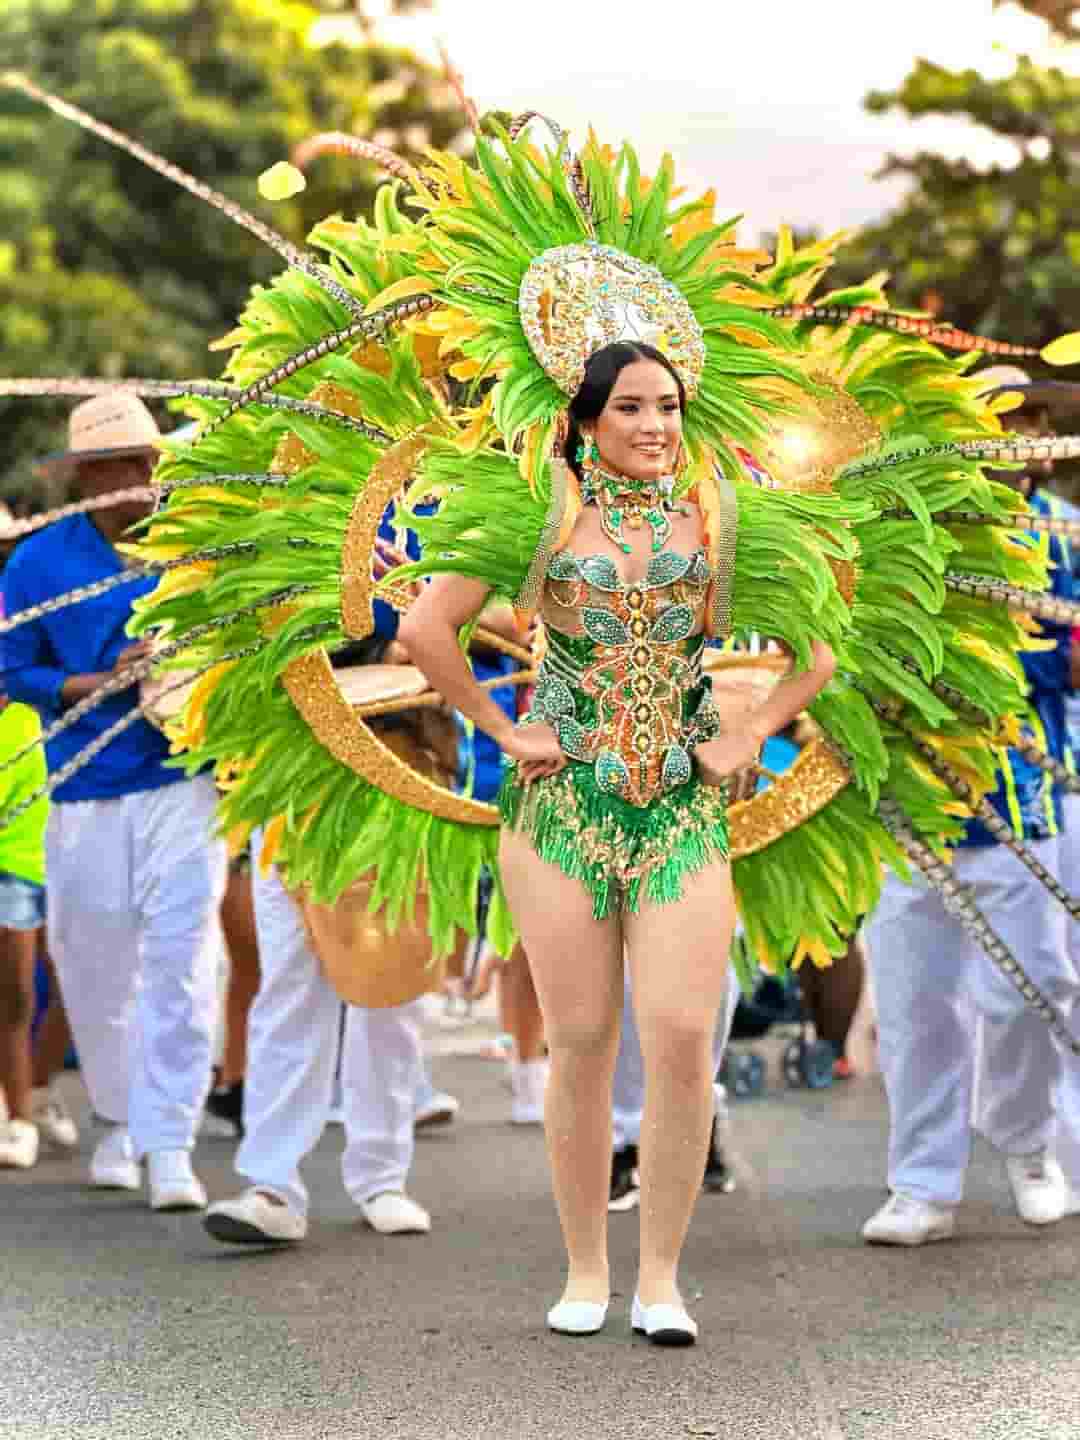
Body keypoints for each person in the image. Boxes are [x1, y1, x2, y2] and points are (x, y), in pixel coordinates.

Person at [399, 341, 836, 1345]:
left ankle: (664, 1281)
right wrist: (504, 729)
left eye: (669, 406)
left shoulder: (720, 524)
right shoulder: (539, 520)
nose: (655, 426)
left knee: (683, 1039)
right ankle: (587, 1268)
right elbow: (427, 631)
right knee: (584, 1042)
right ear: (586, 420)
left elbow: (818, 648)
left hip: (679, 811)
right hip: (560, 815)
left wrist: (746, 731)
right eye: (632, 407)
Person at [863, 368, 1080, 1245]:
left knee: (1036, 990)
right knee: (917, 1001)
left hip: (1019, 799)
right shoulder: (892, 535)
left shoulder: (1063, 535)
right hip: (902, 798)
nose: (1004, 445)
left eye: (1017, 426)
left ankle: (1028, 1141)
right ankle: (922, 1183)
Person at [1, 392, 227, 1210]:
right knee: (95, 971)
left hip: (184, 782)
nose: (132, 481)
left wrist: (186, 666)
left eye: (140, 464)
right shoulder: (38, 563)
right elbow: (11, 669)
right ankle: (118, 1119)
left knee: (181, 958)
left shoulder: (199, 547)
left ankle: (170, 1144)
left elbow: (246, 636)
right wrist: (95, 682)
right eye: (111, 469)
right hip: (83, 792)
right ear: (84, 479)